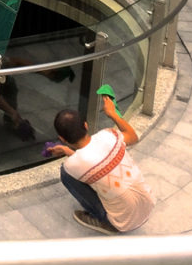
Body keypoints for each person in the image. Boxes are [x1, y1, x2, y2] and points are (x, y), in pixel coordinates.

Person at [47, 95, 154, 235]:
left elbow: (84, 165)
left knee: (65, 174)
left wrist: (68, 152)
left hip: (123, 223)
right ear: (86, 125)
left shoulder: (71, 166)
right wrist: (113, 114)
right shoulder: (109, 135)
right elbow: (133, 137)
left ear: (62, 138)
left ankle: (105, 222)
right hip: (149, 203)